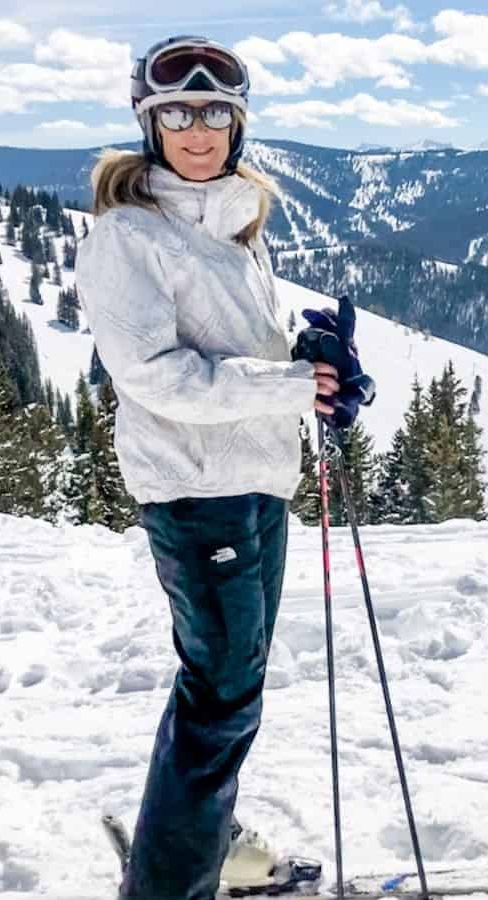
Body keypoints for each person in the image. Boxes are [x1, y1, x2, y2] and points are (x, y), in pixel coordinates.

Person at [74, 35, 369, 900]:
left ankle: (212, 842)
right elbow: (158, 378)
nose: (196, 130)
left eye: (214, 114)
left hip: (255, 485)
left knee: (227, 685)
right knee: (221, 696)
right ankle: (170, 884)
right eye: (176, 114)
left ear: (236, 126)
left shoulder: (234, 224)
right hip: (195, 491)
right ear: (149, 124)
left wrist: (308, 357)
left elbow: (237, 350)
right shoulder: (127, 237)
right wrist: (291, 383)